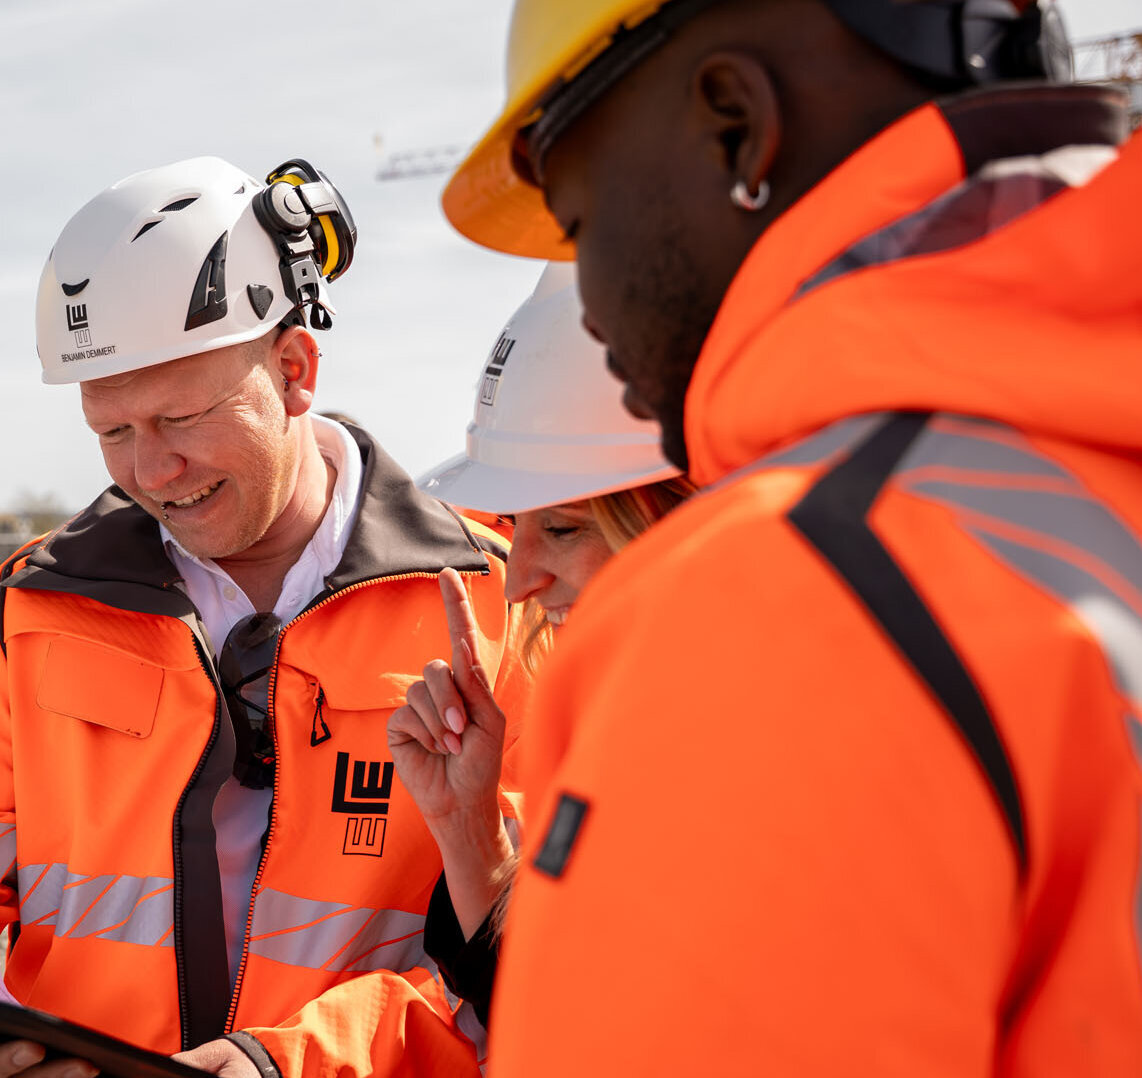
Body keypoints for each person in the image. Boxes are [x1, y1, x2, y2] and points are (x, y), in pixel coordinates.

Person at [438, 0, 1142, 1073]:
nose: (586, 307)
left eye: (581, 226)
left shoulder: (783, 601)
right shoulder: (1075, 470)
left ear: (733, 125)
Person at [0, 156, 524, 1078]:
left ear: (295, 369)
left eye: (184, 418)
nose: (150, 473)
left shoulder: (497, 606)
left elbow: (536, 959)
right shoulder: (29, 611)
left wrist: (285, 1067)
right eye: (112, 431)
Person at [391, 262, 692, 1022]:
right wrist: (472, 835)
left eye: (560, 528)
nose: (517, 576)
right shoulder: (630, 731)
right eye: (514, 527)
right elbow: (562, 1012)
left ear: (688, 513)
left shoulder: (798, 758)